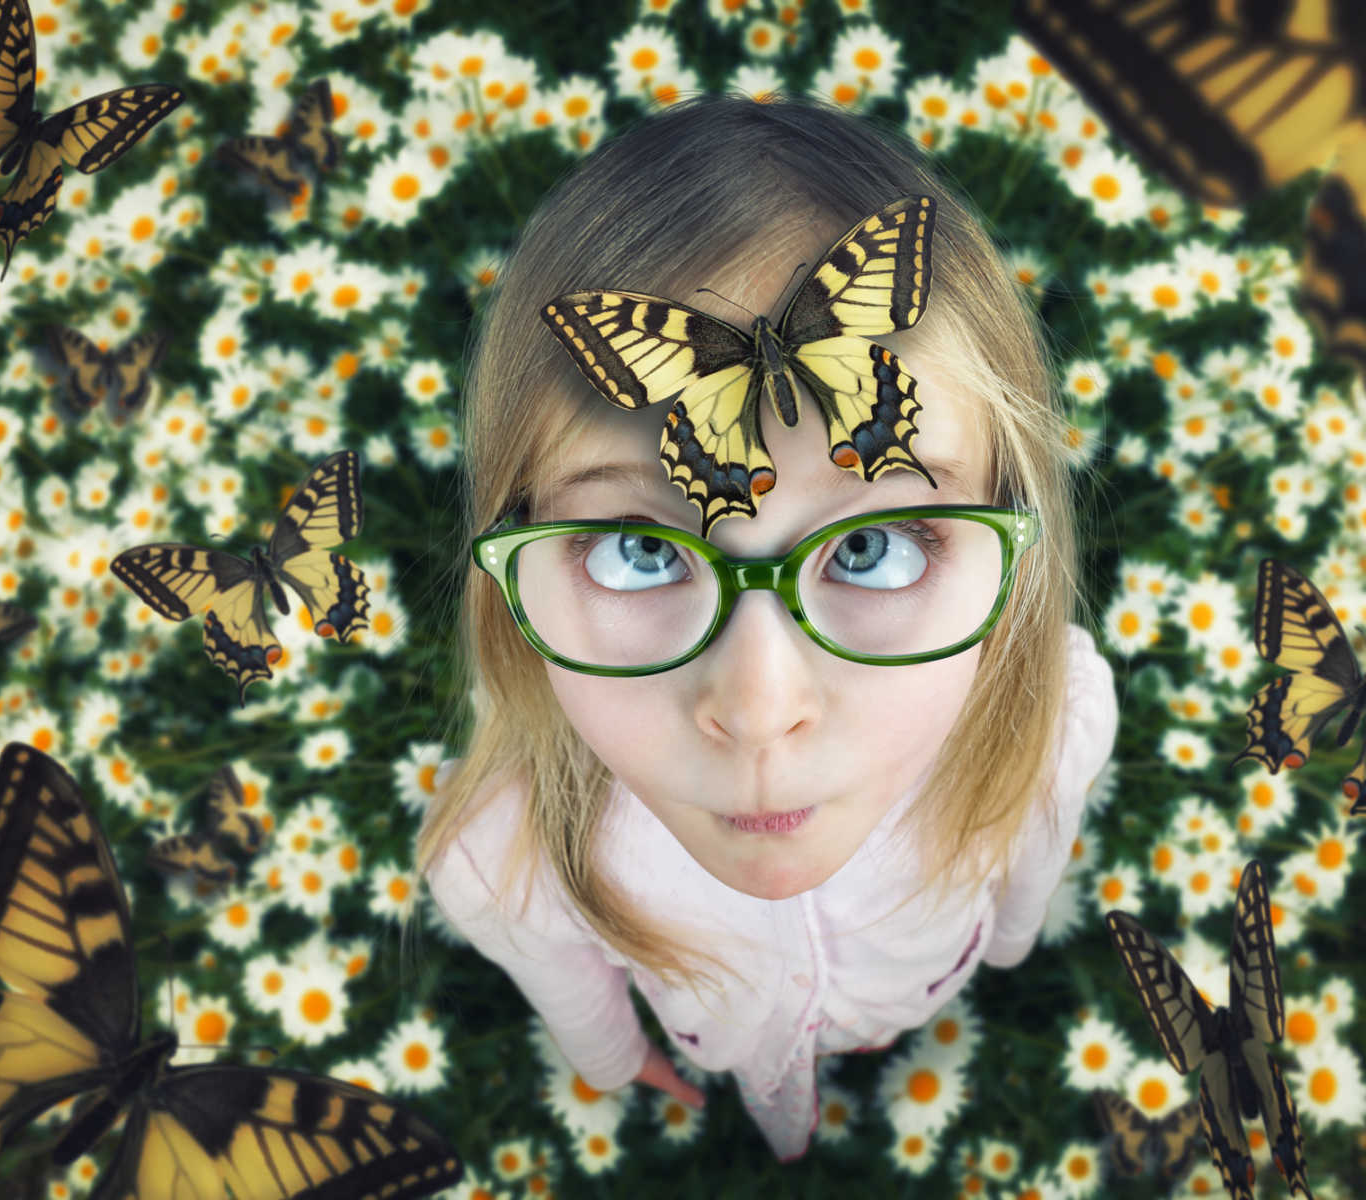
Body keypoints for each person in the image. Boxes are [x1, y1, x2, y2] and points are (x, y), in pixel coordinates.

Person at [416, 92, 1119, 1162]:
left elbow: (1023, 881)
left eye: (875, 548)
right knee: (777, 1110)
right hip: (736, 1045)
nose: (757, 710)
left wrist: (1011, 943)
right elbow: (572, 988)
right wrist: (610, 1061)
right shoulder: (504, 855)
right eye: (639, 551)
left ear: (1012, 558)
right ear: (511, 575)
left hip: (914, 987)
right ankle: (786, 1132)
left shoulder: (1051, 722)